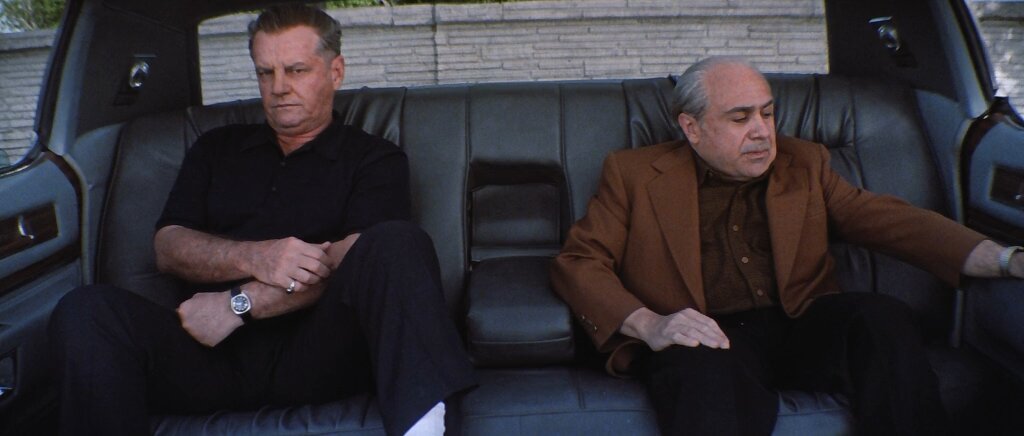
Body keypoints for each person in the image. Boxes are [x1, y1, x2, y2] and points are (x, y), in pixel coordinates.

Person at [48, 4, 476, 435]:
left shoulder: (374, 158)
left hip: (319, 353)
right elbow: (169, 246)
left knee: (398, 242)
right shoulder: (215, 148)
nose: (279, 87)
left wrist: (239, 303)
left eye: (296, 70)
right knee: (86, 310)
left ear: (335, 72)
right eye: (265, 73)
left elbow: (359, 258)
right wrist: (258, 257)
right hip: (205, 349)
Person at [550, 56, 1024, 436]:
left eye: (767, 112)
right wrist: (651, 324)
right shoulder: (634, 174)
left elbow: (891, 222)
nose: (762, 131)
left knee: (880, 317)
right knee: (698, 361)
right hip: (707, 336)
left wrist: (1006, 259)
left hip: (799, 326)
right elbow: (580, 261)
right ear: (692, 128)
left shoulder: (804, 163)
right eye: (740, 118)